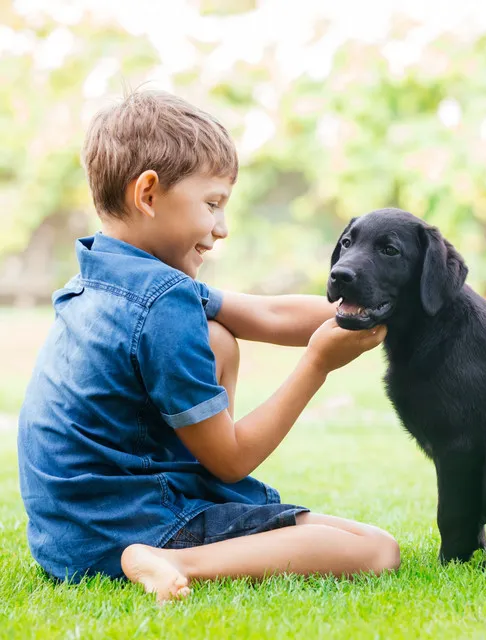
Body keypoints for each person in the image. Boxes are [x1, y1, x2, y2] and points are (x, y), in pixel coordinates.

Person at [17, 90, 399, 603]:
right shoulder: (163, 303)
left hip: (70, 536)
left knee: (219, 336)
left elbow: (268, 315)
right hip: (128, 527)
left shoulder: (106, 273)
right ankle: (176, 562)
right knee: (376, 551)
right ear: (148, 194)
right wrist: (317, 364)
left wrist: (395, 309)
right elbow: (232, 462)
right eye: (213, 204)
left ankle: (185, 540)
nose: (222, 228)